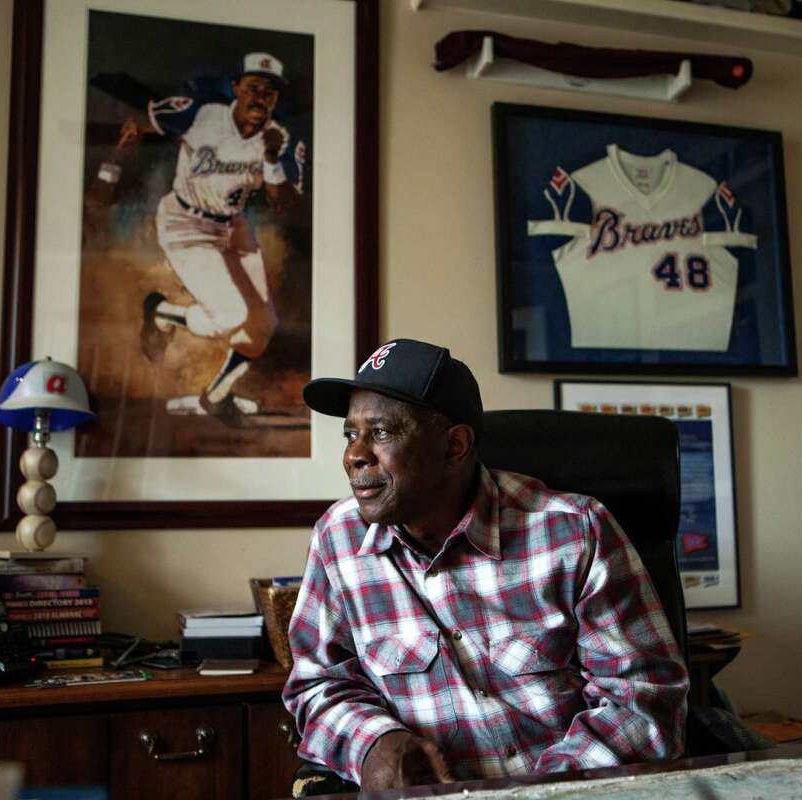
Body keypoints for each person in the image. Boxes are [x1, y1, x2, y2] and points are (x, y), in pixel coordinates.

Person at [283, 339, 689, 791]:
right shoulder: (338, 540)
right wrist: (375, 743)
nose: (354, 455)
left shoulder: (574, 532)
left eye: (380, 433)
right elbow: (317, 685)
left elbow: (644, 701)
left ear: (455, 446)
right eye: (350, 434)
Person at [92, 52, 304, 426]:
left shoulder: (280, 138)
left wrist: (270, 157)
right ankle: (161, 312)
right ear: (236, 87)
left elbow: (284, 203)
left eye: (269, 92)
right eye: (253, 86)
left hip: (232, 226)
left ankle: (216, 396)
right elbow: (143, 121)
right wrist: (111, 171)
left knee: (262, 326)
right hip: (185, 221)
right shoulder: (203, 114)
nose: (260, 97)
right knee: (231, 315)